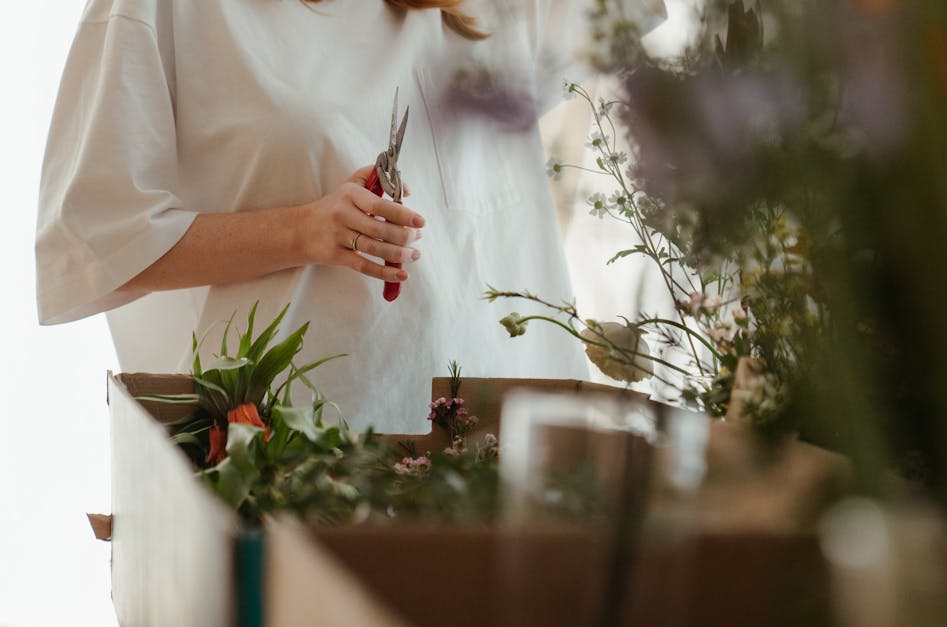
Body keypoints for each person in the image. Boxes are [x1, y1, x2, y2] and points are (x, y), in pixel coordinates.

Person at [36, 0, 664, 433]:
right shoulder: (170, 11)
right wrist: (304, 229)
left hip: (505, 446)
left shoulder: (480, 10)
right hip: (301, 451)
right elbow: (95, 242)